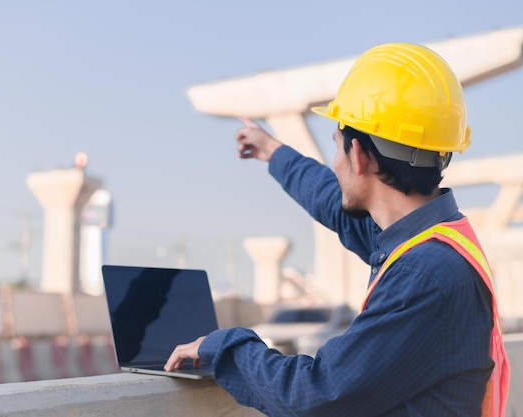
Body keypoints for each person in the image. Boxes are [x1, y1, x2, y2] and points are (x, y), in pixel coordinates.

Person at [165, 42, 510, 416]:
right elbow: (334, 203)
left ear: (359, 155)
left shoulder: (423, 274)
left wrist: (222, 345)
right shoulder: (433, 241)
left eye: (337, 148)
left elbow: (317, 393)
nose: (335, 163)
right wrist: (273, 152)